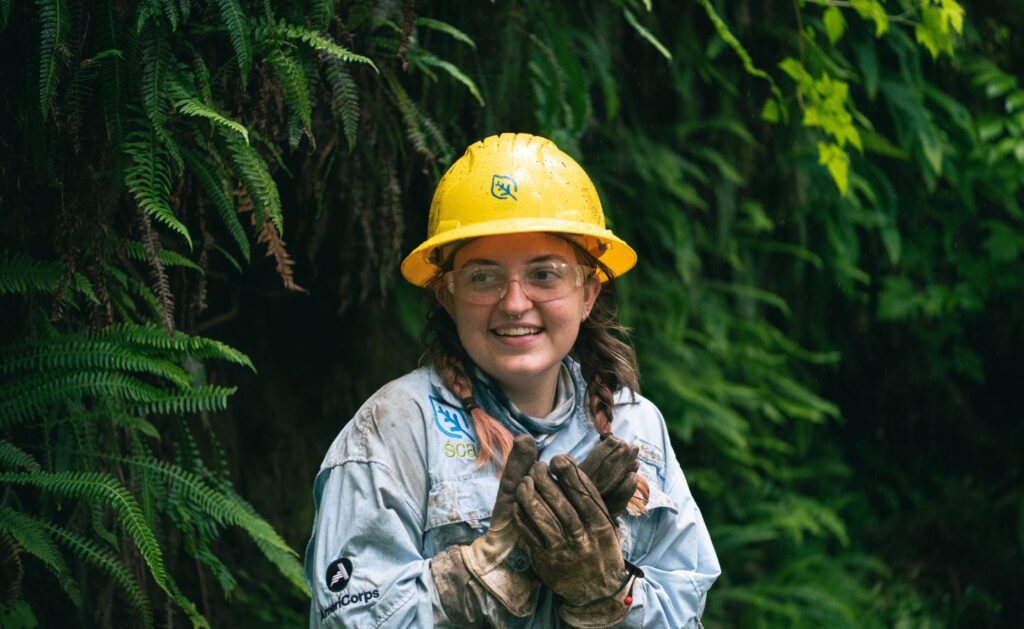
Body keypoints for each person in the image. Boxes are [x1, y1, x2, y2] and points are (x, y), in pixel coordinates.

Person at [304, 133, 720, 627]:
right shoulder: (396, 428)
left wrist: (607, 597)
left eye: (545, 274)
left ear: (588, 293)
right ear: (448, 294)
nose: (515, 302)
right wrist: (480, 576)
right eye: (484, 277)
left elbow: (684, 610)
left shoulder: (638, 427)